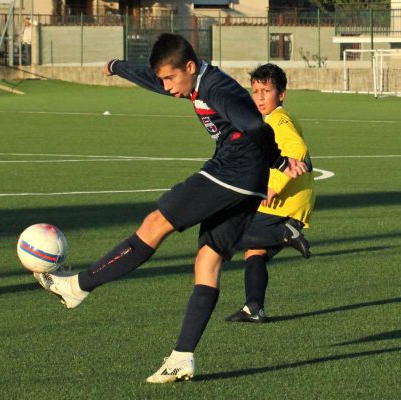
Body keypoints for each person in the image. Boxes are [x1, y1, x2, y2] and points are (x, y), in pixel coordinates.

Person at [33, 33, 308, 383]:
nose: (167, 86)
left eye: (171, 78)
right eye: (164, 78)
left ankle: (78, 287)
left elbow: (254, 124)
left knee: (155, 223)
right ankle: (182, 357)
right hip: (246, 181)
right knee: (207, 261)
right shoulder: (194, 80)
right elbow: (155, 80)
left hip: (233, 171)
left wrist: (280, 162)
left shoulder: (218, 87)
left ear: (189, 67)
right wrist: (119, 67)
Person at [225, 63, 316, 324]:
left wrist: (272, 185)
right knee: (255, 252)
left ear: (282, 94)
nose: (260, 97)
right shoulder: (274, 118)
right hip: (291, 202)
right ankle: (254, 308)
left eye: (266, 91)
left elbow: (297, 149)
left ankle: (284, 233)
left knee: (229, 234)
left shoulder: (278, 119)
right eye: (255, 91)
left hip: (284, 202)